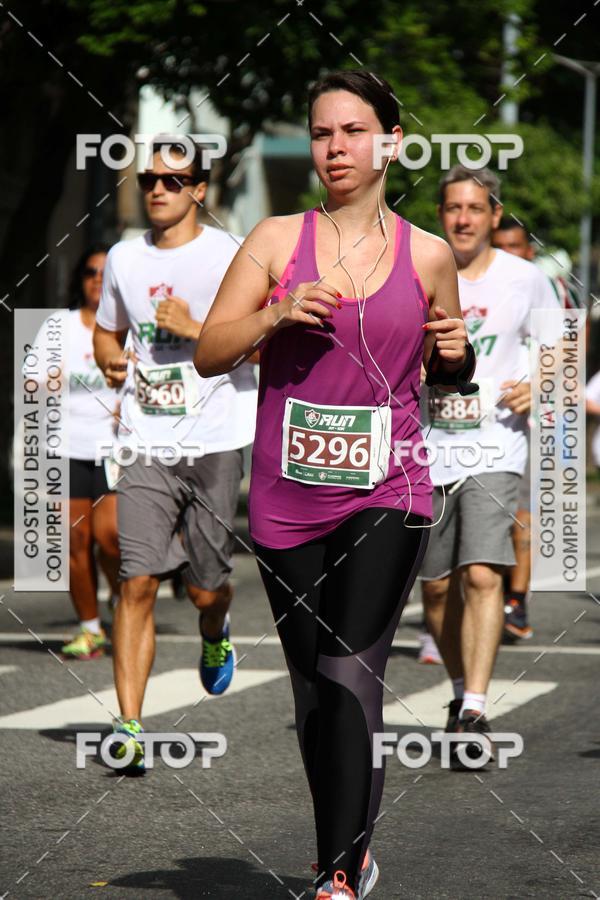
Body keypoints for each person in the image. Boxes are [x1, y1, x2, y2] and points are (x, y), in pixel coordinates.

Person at [195, 70, 473, 899]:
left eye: (353, 131)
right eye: (322, 133)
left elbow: (448, 373)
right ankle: (346, 847)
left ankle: (339, 875)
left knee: (354, 670)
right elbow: (210, 350)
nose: (336, 148)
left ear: (390, 141)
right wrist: (274, 315)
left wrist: (458, 354)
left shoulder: (429, 254)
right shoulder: (276, 241)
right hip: (287, 496)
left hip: (390, 488)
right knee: (315, 685)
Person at [94, 138, 257, 773]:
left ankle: (215, 634)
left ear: (199, 190)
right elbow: (108, 330)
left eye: (172, 179)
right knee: (135, 580)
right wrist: (109, 355)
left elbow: (273, 337)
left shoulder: (229, 254)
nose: (157, 189)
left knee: (205, 587)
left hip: (216, 436)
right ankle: (129, 724)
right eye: (148, 179)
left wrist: (199, 331)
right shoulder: (122, 258)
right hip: (144, 438)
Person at [421, 166, 560, 758]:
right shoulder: (419, 270)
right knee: (434, 589)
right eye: (454, 208)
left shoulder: (525, 279)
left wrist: (539, 384)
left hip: (496, 445)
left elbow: (561, 351)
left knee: (481, 572)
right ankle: (457, 690)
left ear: (495, 216)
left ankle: (475, 707)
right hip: (423, 450)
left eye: (475, 208)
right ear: (442, 214)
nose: (464, 218)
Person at [29, 245, 121, 660]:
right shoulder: (58, 327)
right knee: (74, 539)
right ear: (79, 279)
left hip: (116, 449)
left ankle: (124, 605)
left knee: (111, 536)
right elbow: (32, 383)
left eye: (105, 272)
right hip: (64, 446)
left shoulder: (129, 326)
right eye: (89, 272)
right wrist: (45, 381)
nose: (97, 279)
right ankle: (90, 629)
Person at [491, 218, 536, 639]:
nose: (507, 253)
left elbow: (570, 351)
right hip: (483, 421)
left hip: (534, 419)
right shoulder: (479, 285)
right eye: (499, 246)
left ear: (529, 250)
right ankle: (497, 592)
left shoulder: (544, 289)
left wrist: (539, 388)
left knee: (522, 516)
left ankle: (516, 601)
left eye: (515, 246)